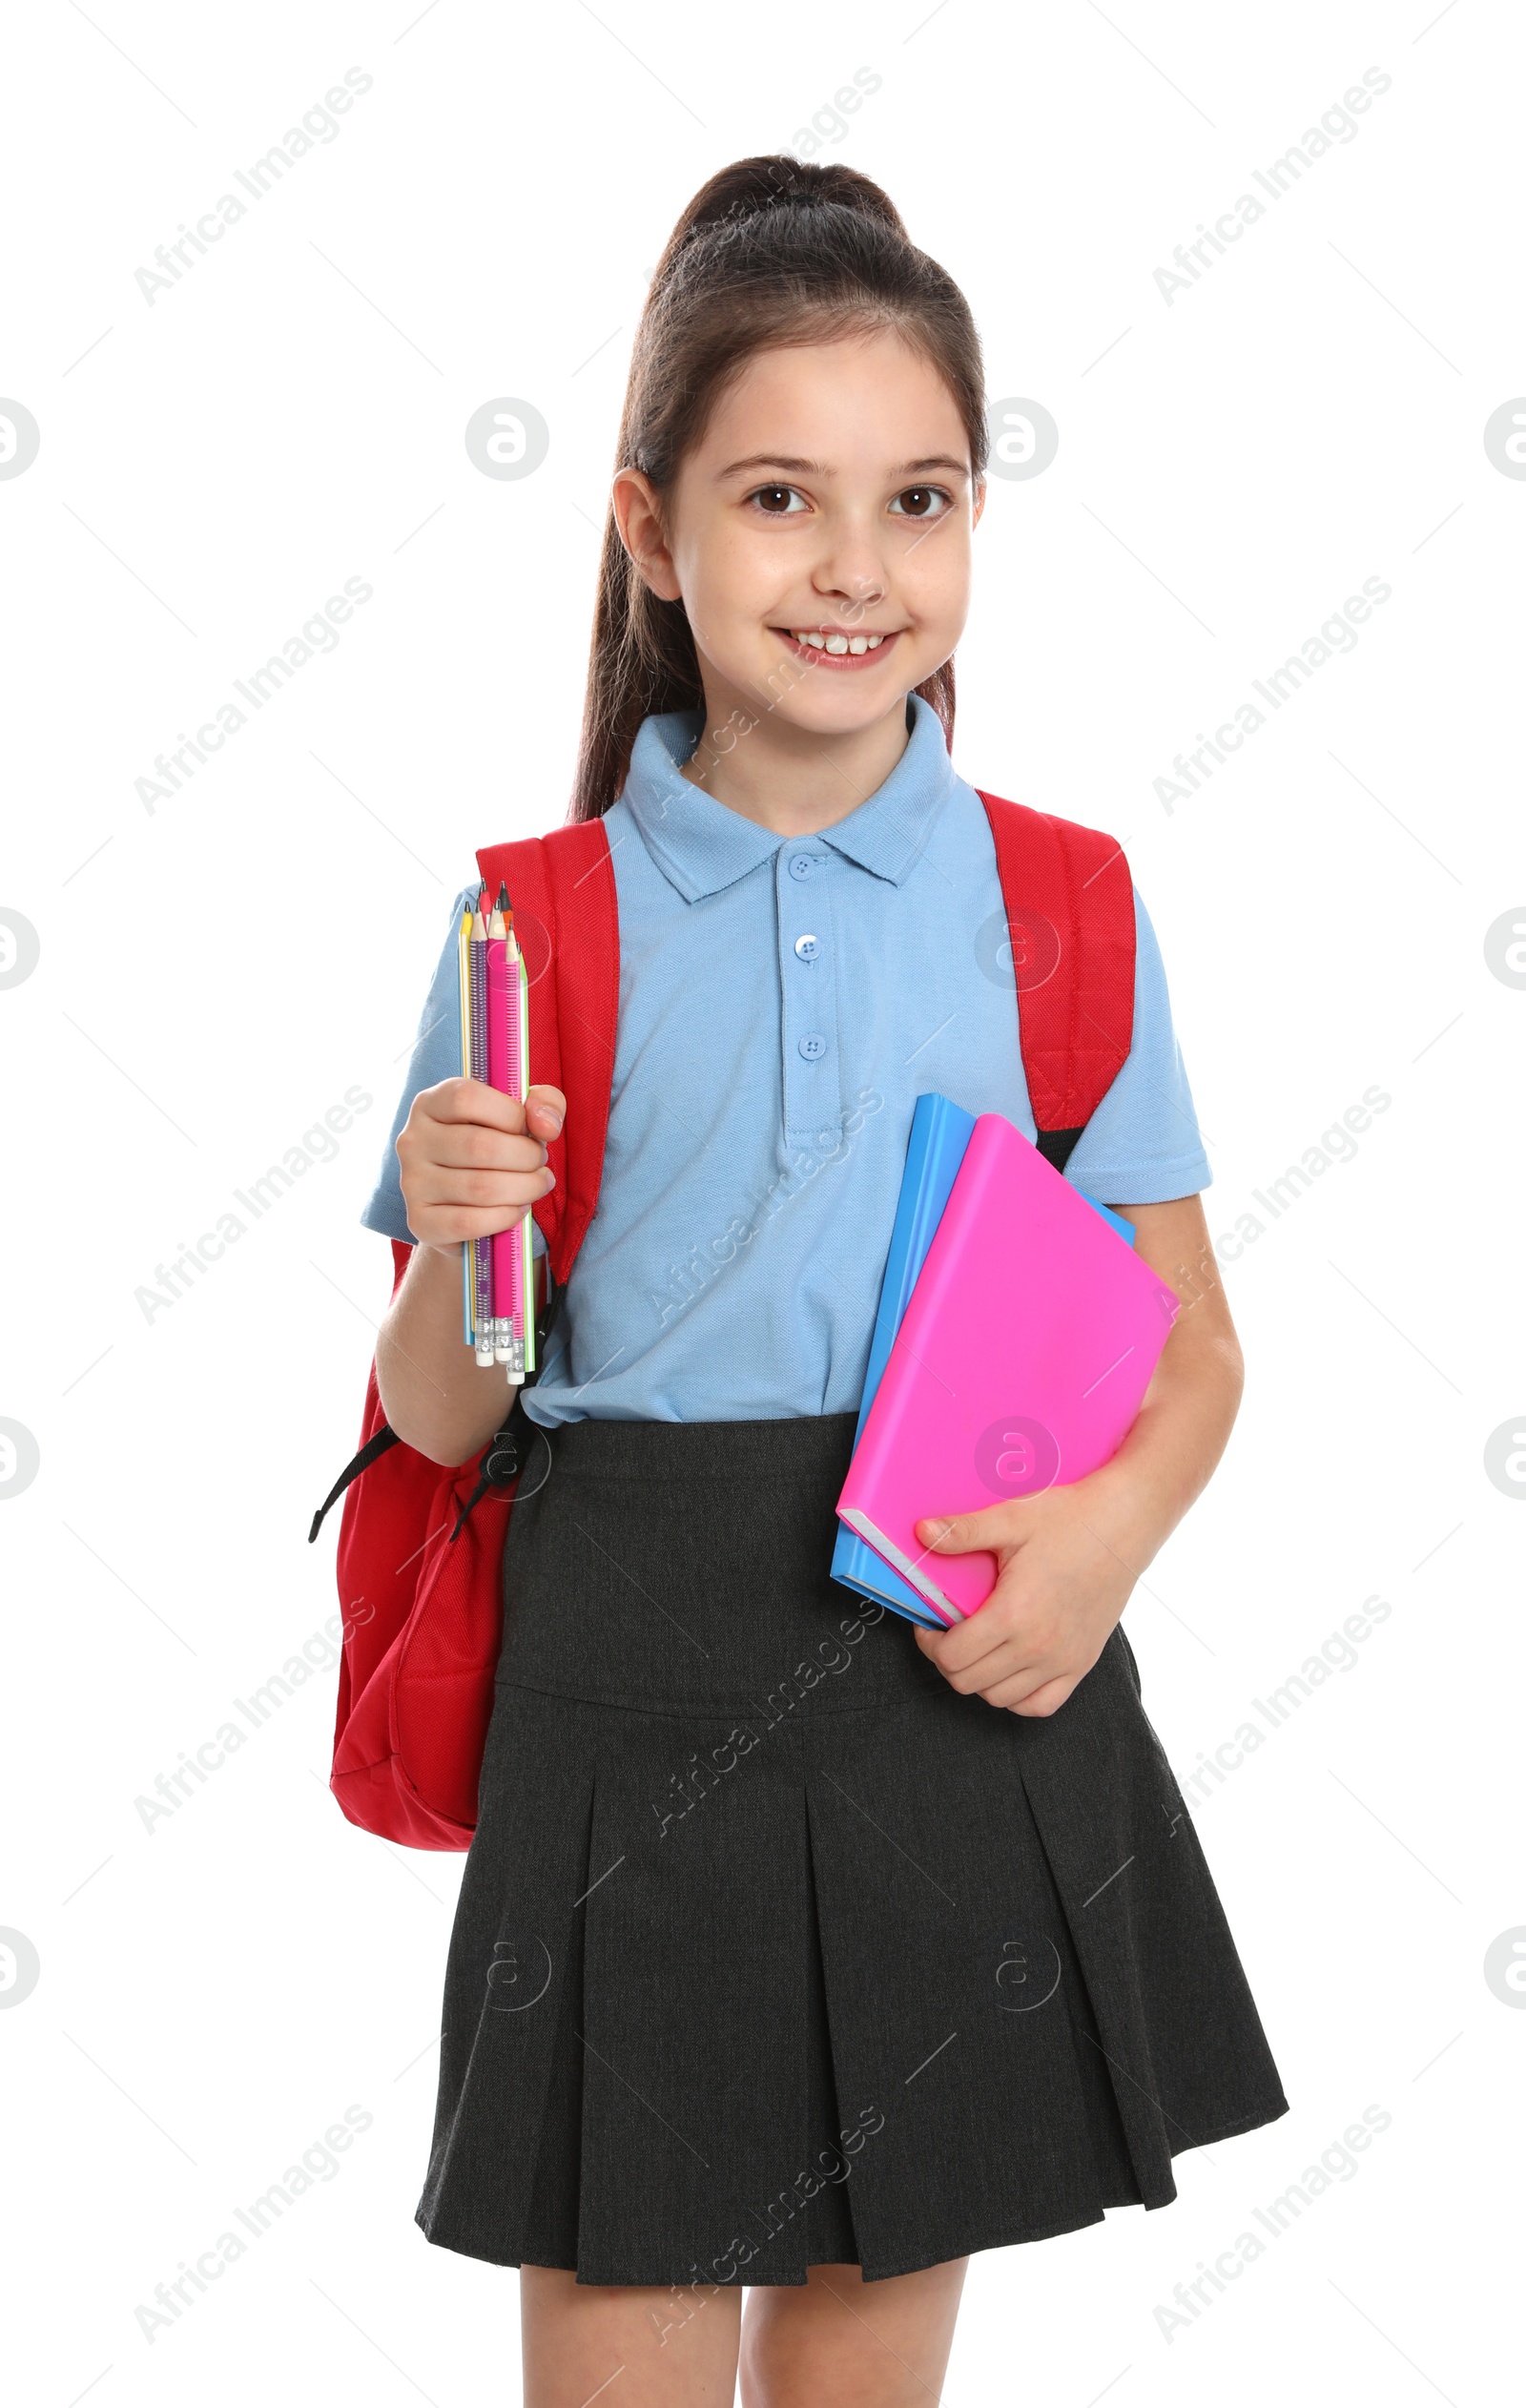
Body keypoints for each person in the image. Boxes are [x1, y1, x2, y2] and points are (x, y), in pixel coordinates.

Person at [360, 155, 1288, 2408]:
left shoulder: (1058, 903)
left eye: (922, 496)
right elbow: (437, 1415)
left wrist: (1093, 1550)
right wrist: (457, 1231)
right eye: (779, 496)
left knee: (871, 2369)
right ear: (647, 528)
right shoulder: (528, 918)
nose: (857, 567)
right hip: (624, 1678)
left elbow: (1188, 1338)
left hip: (940, 1671)